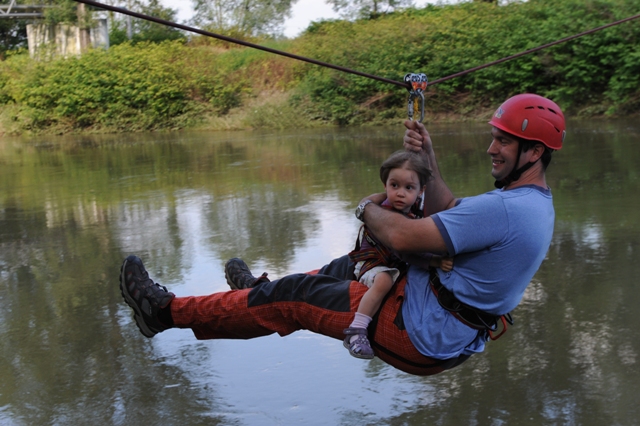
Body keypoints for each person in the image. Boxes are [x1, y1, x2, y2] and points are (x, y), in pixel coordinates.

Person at [120, 93, 565, 377]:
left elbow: (407, 238)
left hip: (417, 330)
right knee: (347, 266)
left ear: (535, 152)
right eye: (495, 137)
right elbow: (450, 209)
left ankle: (165, 313)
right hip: (435, 313)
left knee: (295, 296)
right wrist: (426, 158)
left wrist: (366, 207)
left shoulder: (507, 210)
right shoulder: (530, 204)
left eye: (503, 141)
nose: (492, 148)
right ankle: (256, 294)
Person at [344, 150, 453, 360]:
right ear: (385, 186)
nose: (400, 193)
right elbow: (406, 252)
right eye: (394, 186)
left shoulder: (415, 208)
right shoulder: (385, 215)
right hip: (372, 263)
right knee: (384, 281)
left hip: (394, 262)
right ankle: (357, 330)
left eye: (408, 187)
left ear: (421, 191)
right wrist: (434, 260)